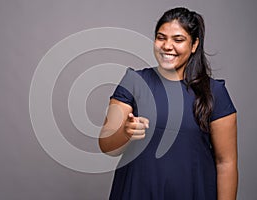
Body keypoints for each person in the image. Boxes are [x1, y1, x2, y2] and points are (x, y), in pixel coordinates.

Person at [99, 7, 238, 200]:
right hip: (136, 191)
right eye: (161, 37)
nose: (167, 46)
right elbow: (106, 145)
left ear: (194, 44)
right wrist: (125, 132)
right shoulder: (134, 81)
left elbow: (226, 163)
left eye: (178, 40)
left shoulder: (215, 92)